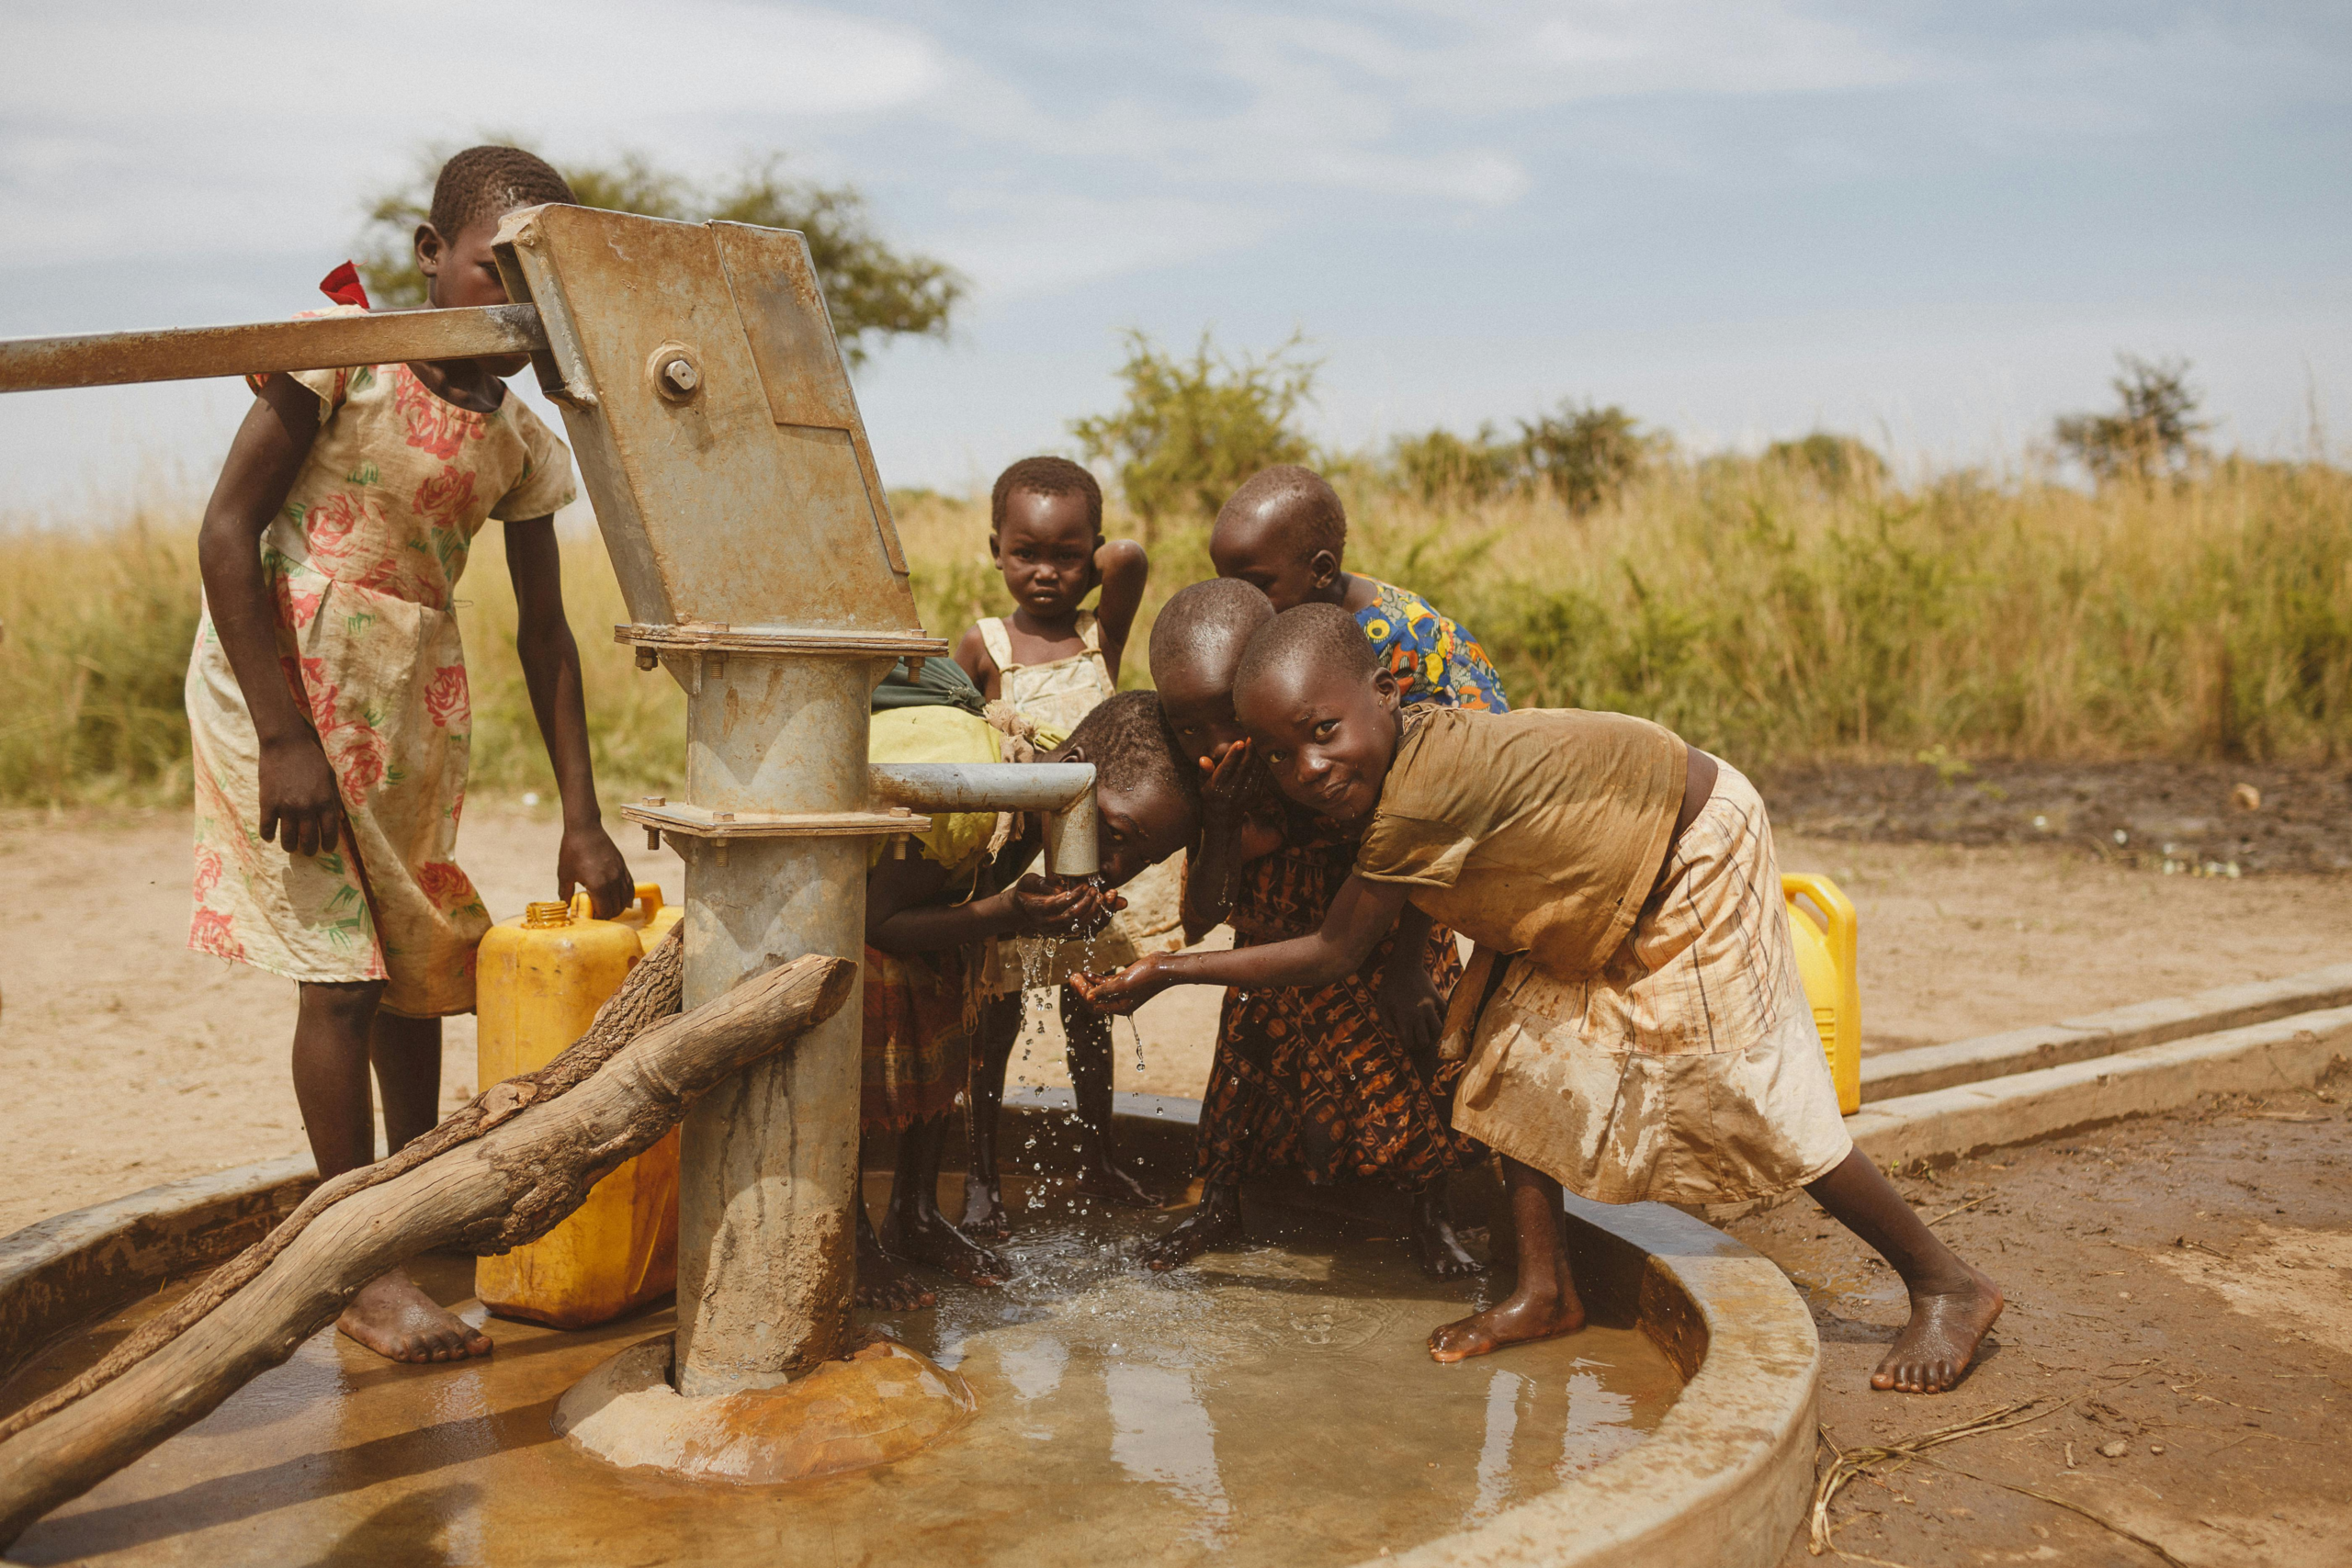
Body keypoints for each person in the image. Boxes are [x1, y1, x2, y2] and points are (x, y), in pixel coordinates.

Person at [1075, 605, 2006, 1395]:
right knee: (1505, 1067)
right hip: (1605, 877)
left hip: (1688, 854)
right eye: (1281, 754)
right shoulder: (1397, 765)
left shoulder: (1416, 797)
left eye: (1322, 733)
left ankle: (1943, 1281)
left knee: (1745, 1090)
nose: (1309, 769)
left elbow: (1330, 951)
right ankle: (1545, 1290)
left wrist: (1164, 973)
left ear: (1384, 696)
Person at [187, 147, 631, 1364]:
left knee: (422, 962)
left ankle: (413, 1201)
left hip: (410, 708)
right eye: (493, 269)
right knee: (339, 972)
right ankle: (356, 1265)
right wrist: (283, 734)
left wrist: (581, 814)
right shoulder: (342, 358)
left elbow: (546, 634)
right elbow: (227, 533)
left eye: (537, 284)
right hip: (280, 681)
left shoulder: (526, 443)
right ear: (430, 254)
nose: (509, 304)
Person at [1137, 577, 1483, 1279]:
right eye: (1190, 727)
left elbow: (1415, 862)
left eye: (1225, 716)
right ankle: (1219, 1203)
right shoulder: (1218, 779)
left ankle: (1430, 1211)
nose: (1216, 741)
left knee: (1414, 1070)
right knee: (1243, 1081)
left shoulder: (1329, 748)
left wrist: (1409, 963)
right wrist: (1223, 819)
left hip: (1388, 939)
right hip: (1270, 955)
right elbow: (1203, 911)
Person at [859, 685, 1199, 1305]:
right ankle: (848, 1239)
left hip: (893, 889)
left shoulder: (1045, 774)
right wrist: (1007, 911)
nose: (1117, 866)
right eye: (1117, 834)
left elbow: (960, 900)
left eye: (1142, 857)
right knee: (870, 1008)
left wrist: (1024, 914)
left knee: (950, 974)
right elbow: (875, 923)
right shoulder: (972, 792)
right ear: (1073, 776)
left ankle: (913, 1212)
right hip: (830, 903)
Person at [953, 457, 1168, 1237]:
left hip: (1088, 876)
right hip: (1014, 872)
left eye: (1066, 556)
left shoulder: (1097, 639)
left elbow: (1133, 561)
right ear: (995, 551)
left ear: (1090, 555)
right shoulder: (982, 646)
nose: (1044, 573)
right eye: (1025, 554)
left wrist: (1095, 562)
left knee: (1091, 1017)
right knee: (994, 1028)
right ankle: (980, 1173)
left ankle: (1099, 1153)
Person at [1209, 464, 1508, 711]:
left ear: (1322, 572)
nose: (1238, 601)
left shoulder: (1406, 638)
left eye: (1257, 584)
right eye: (1228, 584)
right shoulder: (1297, 602)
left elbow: (1427, 744)